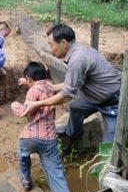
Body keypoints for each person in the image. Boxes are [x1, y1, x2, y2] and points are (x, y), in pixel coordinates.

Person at [21, 24, 121, 154]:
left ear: (63, 42)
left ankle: (107, 167)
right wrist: (52, 87)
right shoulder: (78, 50)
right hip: (94, 96)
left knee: (109, 145)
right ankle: (72, 135)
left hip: (111, 101)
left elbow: (67, 96)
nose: (51, 49)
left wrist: (37, 104)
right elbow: (73, 81)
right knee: (76, 108)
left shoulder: (77, 59)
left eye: (51, 44)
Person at [11, 62, 73, 192]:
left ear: (29, 78)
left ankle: (26, 181)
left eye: (26, 80)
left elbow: (25, 112)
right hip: (49, 138)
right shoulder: (50, 85)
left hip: (30, 137)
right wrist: (25, 81)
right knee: (56, 174)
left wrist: (14, 105)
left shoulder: (33, 90)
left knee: (22, 154)